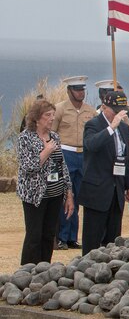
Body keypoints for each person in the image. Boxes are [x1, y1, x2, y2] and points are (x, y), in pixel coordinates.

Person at [16, 99, 74, 264]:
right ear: (36, 118)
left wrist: (69, 193)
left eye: (53, 115)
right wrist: (46, 151)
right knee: (34, 236)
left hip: (55, 194)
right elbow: (28, 167)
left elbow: (62, 166)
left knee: (49, 235)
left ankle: (44, 270)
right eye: (48, 115)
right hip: (35, 195)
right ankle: (27, 273)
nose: (51, 118)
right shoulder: (25, 138)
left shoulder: (54, 136)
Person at [79, 91, 129, 255]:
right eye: (114, 110)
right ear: (104, 107)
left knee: (112, 240)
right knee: (92, 239)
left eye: (121, 110)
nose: (118, 113)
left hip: (116, 191)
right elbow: (91, 145)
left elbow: (126, 159)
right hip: (97, 191)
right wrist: (111, 128)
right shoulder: (93, 125)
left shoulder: (124, 129)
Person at [51, 76, 96, 250]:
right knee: (66, 196)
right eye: (77, 90)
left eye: (82, 89)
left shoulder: (90, 111)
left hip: (83, 154)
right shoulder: (60, 109)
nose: (80, 93)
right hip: (65, 152)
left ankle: (72, 237)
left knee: (78, 196)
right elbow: (52, 133)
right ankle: (62, 236)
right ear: (69, 91)